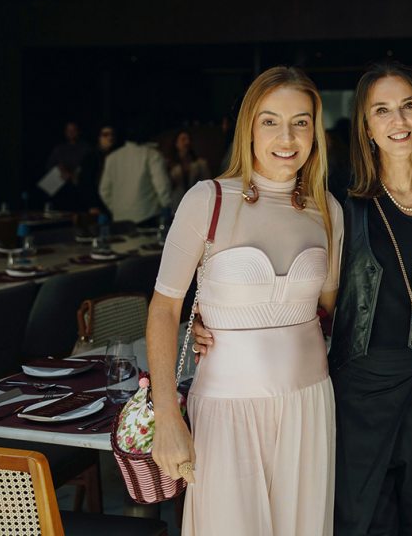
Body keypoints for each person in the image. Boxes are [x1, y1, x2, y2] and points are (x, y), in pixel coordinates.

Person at [148, 66, 343, 536]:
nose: (287, 135)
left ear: (315, 132)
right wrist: (168, 419)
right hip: (226, 407)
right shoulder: (207, 199)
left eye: (301, 121)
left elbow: (327, 310)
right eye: (270, 120)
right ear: (249, 128)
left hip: (309, 404)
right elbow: (163, 309)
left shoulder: (328, 210)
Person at [325, 61, 412, 536]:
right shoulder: (344, 203)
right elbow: (304, 291)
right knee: (361, 519)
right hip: (359, 388)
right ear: (366, 127)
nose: (398, 121)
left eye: (407, 106)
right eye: (381, 111)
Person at [99, 128, 172, 225]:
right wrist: (167, 205)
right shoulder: (152, 155)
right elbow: (161, 185)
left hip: (120, 218)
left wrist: (116, 208)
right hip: (148, 215)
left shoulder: (112, 158)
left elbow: (104, 190)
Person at [167, 130, 211, 212]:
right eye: (183, 139)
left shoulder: (201, 164)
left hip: (196, 205)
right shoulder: (170, 164)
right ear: (176, 143)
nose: (187, 142)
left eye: (189, 139)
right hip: (176, 205)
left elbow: (207, 184)